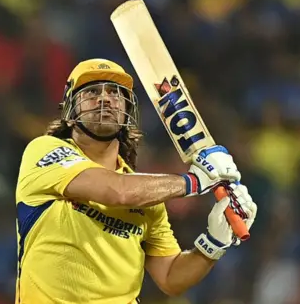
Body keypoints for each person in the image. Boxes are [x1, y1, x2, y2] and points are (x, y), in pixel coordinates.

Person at [15, 58, 257, 304]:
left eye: (115, 93)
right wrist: (195, 181)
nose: (104, 99)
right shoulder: (44, 151)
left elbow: (171, 278)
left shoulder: (147, 195)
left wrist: (213, 243)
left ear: (127, 109)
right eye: (91, 92)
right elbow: (116, 191)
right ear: (70, 110)